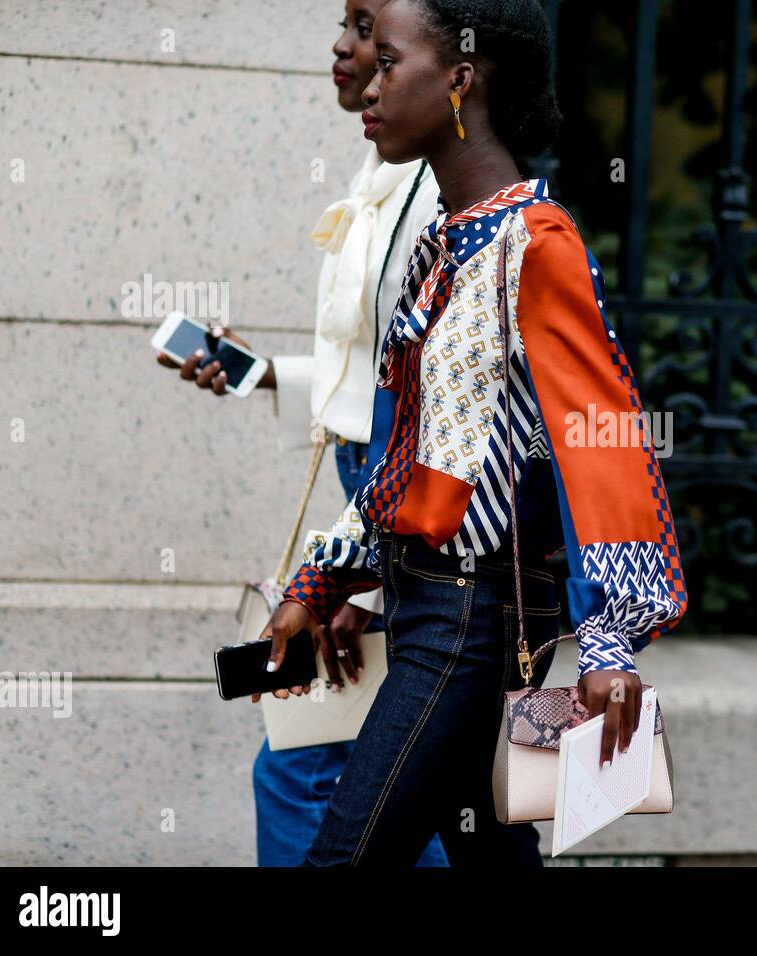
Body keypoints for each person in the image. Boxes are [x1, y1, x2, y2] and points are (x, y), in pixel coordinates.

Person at [262, 0, 688, 866]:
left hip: (467, 626)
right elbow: (409, 458)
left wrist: (612, 636)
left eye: (389, 64)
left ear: (460, 78)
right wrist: (328, 577)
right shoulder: (445, 246)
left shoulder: (537, 243)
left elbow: (604, 441)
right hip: (429, 608)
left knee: (341, 859)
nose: (368, 88)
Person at [155, 0, 447, 867]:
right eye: (346, 22)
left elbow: (442, 419)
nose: (342, 45)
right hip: (381, 503)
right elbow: (380, 381)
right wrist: (266, 372)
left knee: (312, 771)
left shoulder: (436, 198)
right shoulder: (384, 172)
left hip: (404, 516)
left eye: (369, 32)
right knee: (385, 786)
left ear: (449, 63)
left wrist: (361, 584)